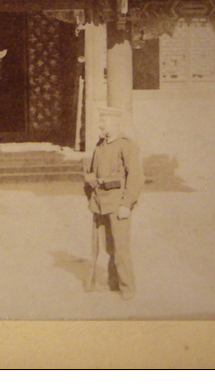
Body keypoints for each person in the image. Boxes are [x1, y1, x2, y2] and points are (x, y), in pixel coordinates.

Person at [83, 106, 143, 299]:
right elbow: (91, 170)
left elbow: (135, 177)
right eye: (100, 121)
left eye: (104, 122)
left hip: (117, 204)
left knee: (120, 247)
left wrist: (126, 204)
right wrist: (90, 179)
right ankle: (113, 282)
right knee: (107, 245)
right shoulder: (100, 145)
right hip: (99, 203)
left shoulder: (127, 145)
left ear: (116, 124)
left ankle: (128, 288)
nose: (100, 125)